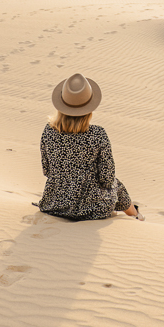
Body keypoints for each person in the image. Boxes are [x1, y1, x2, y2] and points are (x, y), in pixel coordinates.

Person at [38, 72, 144, 222]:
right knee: (117, 185)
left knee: (114, 186)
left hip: (54, 204)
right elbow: (107, 178)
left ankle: (135, 214)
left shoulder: (48, 131)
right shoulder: (98, 134)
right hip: (92, 209)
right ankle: (136, 216)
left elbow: (47, 170)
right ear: (89, 109)